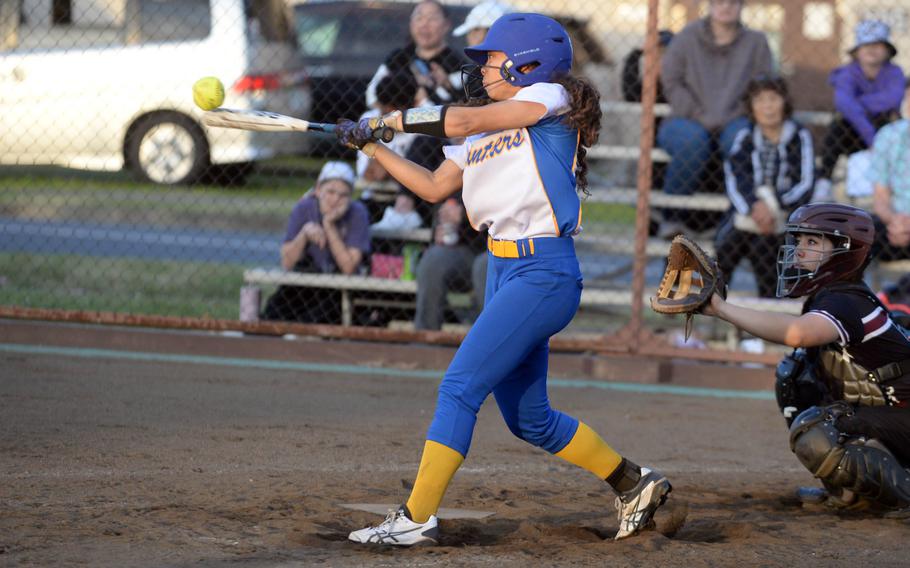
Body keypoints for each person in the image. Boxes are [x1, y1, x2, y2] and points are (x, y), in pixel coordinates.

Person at [335, 13, 672, 545]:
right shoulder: (484, 125)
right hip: (503, 269)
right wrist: (372, 146)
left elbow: (462, 122)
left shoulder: (549, 100)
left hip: (543, 271)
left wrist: (393, 120)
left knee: (460, 387)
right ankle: (635, 483)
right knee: (529, 420)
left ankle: (416, 517)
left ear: (528, 62)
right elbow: (431, 187)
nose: (482, 69)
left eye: (490, 59)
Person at [702, 203, 910, 513]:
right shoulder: (833, 294)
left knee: (820, 428)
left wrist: (720, 309)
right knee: (796, 376)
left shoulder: (847, 301)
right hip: (893, 414)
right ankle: (853, 493)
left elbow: (797, 333)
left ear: (845, 249)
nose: (799, 250)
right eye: (799, 241)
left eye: (812, 242)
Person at [656, 0, 773, 238]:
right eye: (719, 1)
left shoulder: (756, 42)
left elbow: (763, 86)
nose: (726, 7)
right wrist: (700, 115)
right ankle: (673, 217)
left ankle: (735, 218)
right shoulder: (687, 37)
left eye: (733, 2)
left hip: (736, 117)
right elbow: (671, 81)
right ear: (709, 5)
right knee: (691, 141)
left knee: (739, 140)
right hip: (686, 117)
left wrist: (732, 114)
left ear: (742, 6)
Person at [716, 76, 814, 297]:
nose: (767, 106)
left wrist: (773, 206)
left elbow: (805, 183)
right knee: (723, 247)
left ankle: (769, 315)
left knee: (766, 251)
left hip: (785, 214)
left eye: (773, 98)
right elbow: (734, 179)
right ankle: (715, 306)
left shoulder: (799, 136)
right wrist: (754, 207)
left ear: (784, 102)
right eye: (759, 100)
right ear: (751, 106)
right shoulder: (746, 137)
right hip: (749, 213)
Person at [260, 161, 371, 324]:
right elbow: (287, 263)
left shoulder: (357, 213)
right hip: (304, 281)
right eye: (330, 192)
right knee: (273, 314)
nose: (335, 199)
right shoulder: (304, 208)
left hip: (338, 286)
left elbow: (348, 267)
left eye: (343, 195)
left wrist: (329, 225)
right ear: (318, 190)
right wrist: (304, 234)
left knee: (317, 316)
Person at [814, 20, 905, 202]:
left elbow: (892, 99)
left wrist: (856, 103)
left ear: (887, 50)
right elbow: (842, 103)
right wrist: (871, 137)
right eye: (865, 45)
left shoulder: (895, 72)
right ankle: (824, 181)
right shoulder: (847, 73)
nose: (871, 49)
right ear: (856, 51)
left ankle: (896, 184)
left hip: (884, 128)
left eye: (877, 44)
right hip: (852, 130)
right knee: (837, 126)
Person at [365, 0, 465, 110]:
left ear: (446, 25)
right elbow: (371, 96)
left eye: (432, 19)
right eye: (419, 18)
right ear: (411, 24)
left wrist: (445, 85)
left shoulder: (456, 63)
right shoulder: (398, 57)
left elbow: (454, 106)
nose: (424, 25)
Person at [414, 194, 487, 330]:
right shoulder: (454, 176)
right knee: (433, 260)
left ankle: (492, 337)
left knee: (483, 266)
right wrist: (438, 234)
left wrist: (466, 216)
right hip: (462, 249)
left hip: (496, 247)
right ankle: (426, 339)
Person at [869, 80, 910, 298]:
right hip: (893, 226)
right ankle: (851, 306)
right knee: (858, 231)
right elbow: (880, 196)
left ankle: (897, 299)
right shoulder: (888, 135)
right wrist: (894, 221)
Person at [621, 29, 673, 104]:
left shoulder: (681, 85)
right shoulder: (650, 88)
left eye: (667, 53)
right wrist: (636, 54)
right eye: (660, 54)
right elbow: (630, 96)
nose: (664, 60)